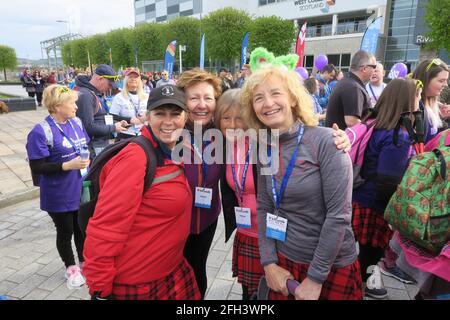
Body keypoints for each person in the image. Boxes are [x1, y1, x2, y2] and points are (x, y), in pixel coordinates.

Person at [240, 59, 362, 300]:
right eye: (258, 98)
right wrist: (269, 263)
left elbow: (339, 216)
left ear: (293, 98)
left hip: (329, 267)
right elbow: (265, 205)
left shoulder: (327, 142)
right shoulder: (264, 146)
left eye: (276, 93)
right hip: (285, 260)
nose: (268, 103)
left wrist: (315, 279)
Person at [83, 85, 200, 300]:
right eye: (159, 114)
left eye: (175, 114)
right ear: (147, 116)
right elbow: (105, 227)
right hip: (138, 283)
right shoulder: (136, 158)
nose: (168, 121)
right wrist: (99, 288)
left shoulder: (174, 150)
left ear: (185, 118)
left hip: (169, 271)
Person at [351, 78, 423, 299]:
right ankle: (359, 289)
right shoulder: (397, 137)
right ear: (406, 101)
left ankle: (359, 285)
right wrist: (392, 216)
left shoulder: (375, 123)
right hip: (376, 206)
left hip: (361, 198)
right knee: (370, 256)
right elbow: (388, 183)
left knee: (363, 252)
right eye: (417, 97)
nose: (419, 101)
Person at [26, 85, 90, 290]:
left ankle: (84, 263)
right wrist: (66, 165)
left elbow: (84, 147)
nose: (76, 107)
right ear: (56, 106)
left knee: (81, 228)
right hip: (57, 192)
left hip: (80, 187)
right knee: (66, 230)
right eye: (72, 103)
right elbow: (37, 167)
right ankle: (71, 268)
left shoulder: (76, 122)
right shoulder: (41, 130)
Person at [176, 68, 226, 299]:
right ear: (183, 101)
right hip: (174, 224)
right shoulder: (170, 133)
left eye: (208, 98)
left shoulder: (224, 133)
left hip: (207, 219)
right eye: (194, 98)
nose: (201, 104)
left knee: (198, 270)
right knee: (174, 275)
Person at [215, 88, 265, 300]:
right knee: (248, 294)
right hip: (245, 233)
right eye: (226, 118)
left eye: (240, 118)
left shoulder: (264, 142)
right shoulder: (222, 146)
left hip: (271, 236)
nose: (233, 125)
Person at [75, 64, 128, 158]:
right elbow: (88, 127)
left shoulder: (95, 93)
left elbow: (99, 118)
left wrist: (117, 123)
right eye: (109, 84)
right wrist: (113, 127)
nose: (110, 88)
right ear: (100, 79)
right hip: (94, 146)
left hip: (100, 143)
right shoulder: (86, 95)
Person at [325, 50, 376, 129]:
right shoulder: (353, 87)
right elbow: (351, 122)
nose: (374, 71)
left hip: (339, 138)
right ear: (364, 68)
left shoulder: (349, 82)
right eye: (374, 67)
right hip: (343, 139)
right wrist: (371, 129)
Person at [412, 59, 449, 142]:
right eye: (441, 81)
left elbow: (434, 138)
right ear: (426, 80)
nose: (445, 85)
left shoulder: (433, 104)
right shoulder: (414, 108)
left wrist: (442, 119)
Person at [110, 69, 148, 140]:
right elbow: (112, 116)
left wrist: (146, 117)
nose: (133, 79)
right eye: (130, 77)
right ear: (126, 80)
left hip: (143, 135)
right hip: (125, 136)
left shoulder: (146, 97)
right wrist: (129, 120)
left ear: (139, 80)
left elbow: (153, 114)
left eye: (136, 77)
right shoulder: (119, 97)